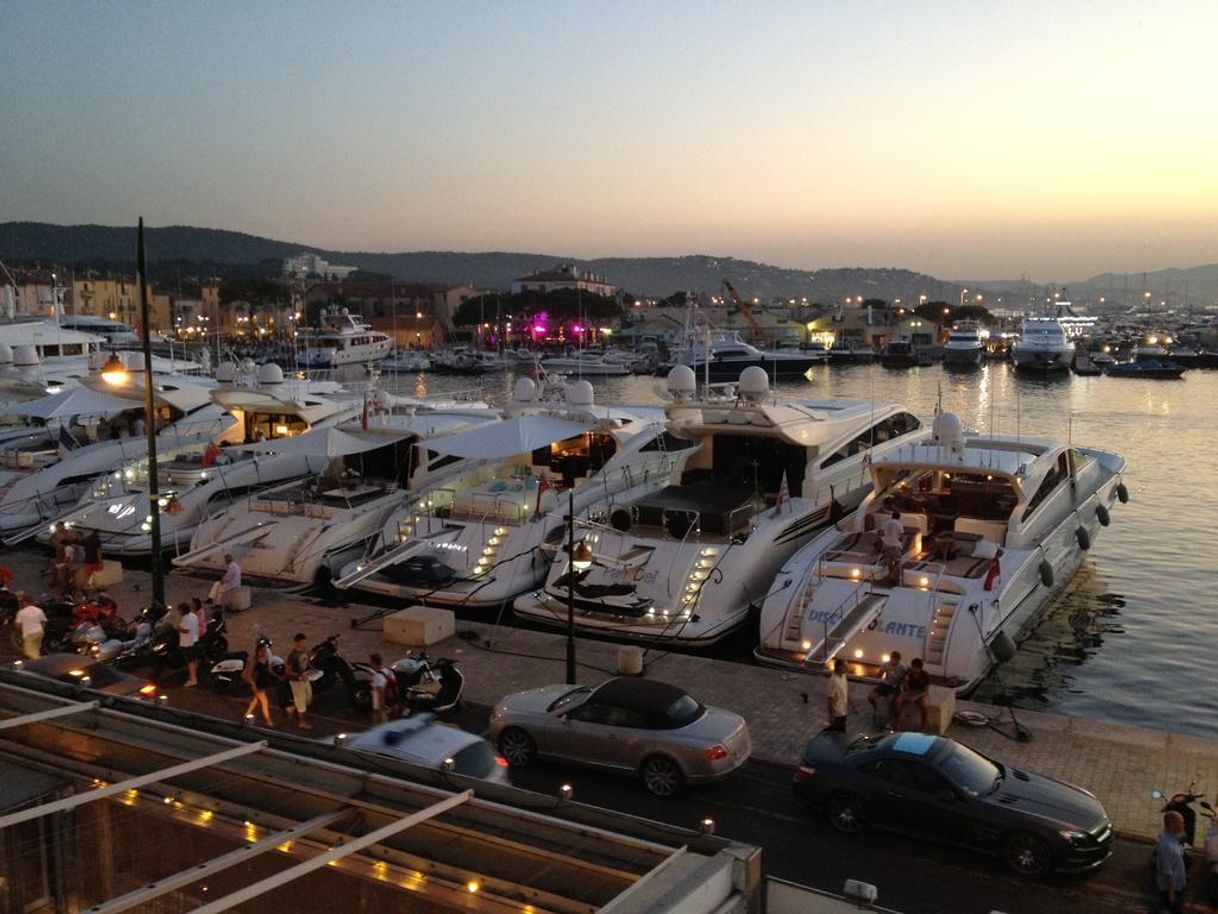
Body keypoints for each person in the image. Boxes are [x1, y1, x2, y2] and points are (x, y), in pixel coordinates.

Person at [1156, 810, 1187, 914]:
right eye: (1181, 822)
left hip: (1179, 886)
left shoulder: (1173, 838)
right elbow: (1167, 872)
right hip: (1172, 889)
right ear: (1172, 824)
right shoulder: (1166, 846)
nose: (1183, 825)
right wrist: (1171, 894)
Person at [242, 638, 277, 727]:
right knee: (264, 702)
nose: (266, 651)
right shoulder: (255, 660)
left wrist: (278, 677)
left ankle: (246, 715)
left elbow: (269, 670)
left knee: (255, 700)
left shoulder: (265, 659)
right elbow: (249, 674)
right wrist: (253, 685)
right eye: (264, 649)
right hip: (257, 684)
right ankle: (268, 720)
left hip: (263, 683)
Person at [867, 651, 906, 725]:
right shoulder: (886, 664)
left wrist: (897, 678)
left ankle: (891, 717)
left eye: (895, 659)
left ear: (898, 660)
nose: (892, 661)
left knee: (890, 700)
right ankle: (876, 710)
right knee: (870, 697)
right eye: (892, 659)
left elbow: (904, 681)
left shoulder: (902, 668)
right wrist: (881, 671)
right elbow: (878, 676)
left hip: (894, 686)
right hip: (885, 684)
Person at [285, 633, 313, 730]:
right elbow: (288, 671)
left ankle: (291, 708)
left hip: (305, 678)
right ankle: (302, 722)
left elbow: (306, 662)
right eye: (301, 643)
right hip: (296, 681)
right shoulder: (292, 656)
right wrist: (298, 675)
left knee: (308, 698)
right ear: (296, 643)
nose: (304, 645)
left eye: (304, 643)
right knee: (301, 702)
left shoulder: (304, 651)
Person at [893, 657, 930, 731]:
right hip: (910, 691)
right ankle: (898, 720)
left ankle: (923, 725)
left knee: (925, 706)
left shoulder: (925, 675)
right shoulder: (908, 673)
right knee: (897, 702)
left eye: (913, 667)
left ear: (918, 668)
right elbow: (906, 689)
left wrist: (916, 697)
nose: (911, 668)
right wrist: (906, 681)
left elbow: (926, 691)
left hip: (921, 693)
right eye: (912, 666)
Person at [15, 593, 47, 660]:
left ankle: (37, 666)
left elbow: (18, 625)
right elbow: (43, 622)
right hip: (39, 632)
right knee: (36, 650)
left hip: (29, 633)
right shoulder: (39, 610)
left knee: (30, 653)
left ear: (24, 602)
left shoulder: (21, 612)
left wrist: (24, 627)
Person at [176, 601, 200, 687]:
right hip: (195, 640)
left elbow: (186, 630)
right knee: (194, 659)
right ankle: (193, 674)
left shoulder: (185, 618)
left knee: (190, 661)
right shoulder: (194, 616)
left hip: (187, 643)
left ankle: (193, 679)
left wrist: (179, 628)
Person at [826, 658, 852, 732]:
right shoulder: (833, 681)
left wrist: (852, 705)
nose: (847, 668)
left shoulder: (843, 676)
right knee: (838, 732)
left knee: (842, 730)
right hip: (837, 712)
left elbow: (846, 690)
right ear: (839, 667)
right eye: (845, 666)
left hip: (843, 710)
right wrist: (831, 716)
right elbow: (830, 699)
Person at [880, 510, 904, 583]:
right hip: (895, 545)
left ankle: (891, 574)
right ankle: (894, 575)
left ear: (892, 516)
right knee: (898, 561)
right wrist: (901, 542)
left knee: (889, 561)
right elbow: (901, 535)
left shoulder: (886, 522)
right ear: (899, 517)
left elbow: (880, 531)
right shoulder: (899, 524)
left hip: (886, 544)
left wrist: (883, 538)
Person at [369, 652, 392, 725]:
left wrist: (380, 710)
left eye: (371, 662)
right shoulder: (388, 671)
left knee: (379, 728)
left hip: (380, 707)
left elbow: (380, 694)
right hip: (389, 703)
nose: (369, 663)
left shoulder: (376, 677)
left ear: (374, 663)